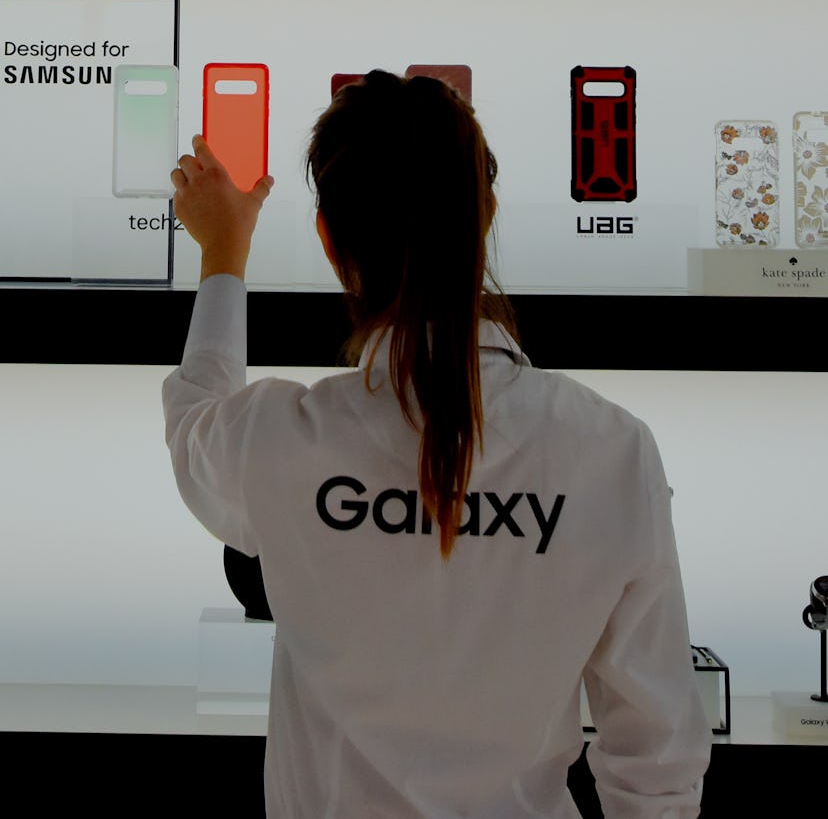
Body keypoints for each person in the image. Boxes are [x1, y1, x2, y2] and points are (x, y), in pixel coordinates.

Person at [163, 69, 711, 818]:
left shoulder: (277, 442)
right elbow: (657, 758)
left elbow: (196, 416)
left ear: (330, 242)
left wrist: (224, 252)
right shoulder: (611, 450)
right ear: (483, 218)